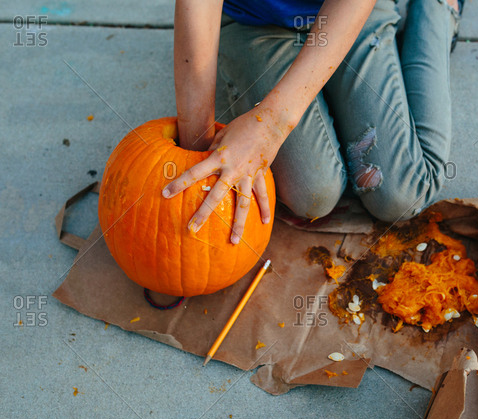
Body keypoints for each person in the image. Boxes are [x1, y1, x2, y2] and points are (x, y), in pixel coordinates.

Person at [162, 0, 462, 244]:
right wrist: (196, 146)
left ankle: (437, 8)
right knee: (312, 195)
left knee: (403, 195)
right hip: (254, 23)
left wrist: (272, 123)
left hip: (352, 12)